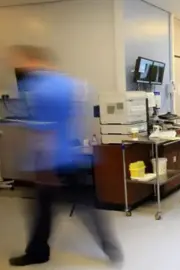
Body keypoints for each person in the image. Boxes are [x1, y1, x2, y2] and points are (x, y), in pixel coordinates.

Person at [7, 45, 122, 267]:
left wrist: (43, 166)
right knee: (84, 206)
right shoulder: (71, 84)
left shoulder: (37, 88)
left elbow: (43, 128)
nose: (17, 66)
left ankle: (38, 252)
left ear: (31, 61)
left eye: (20, 61)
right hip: (74, 154)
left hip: (53, 161)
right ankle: (110, 247)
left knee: (44, 209)